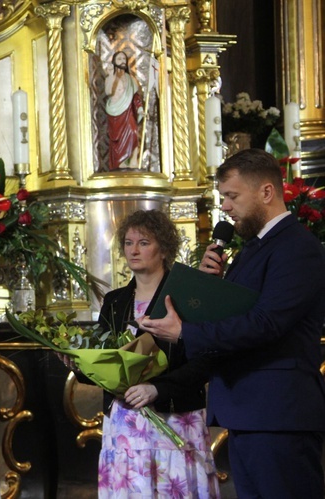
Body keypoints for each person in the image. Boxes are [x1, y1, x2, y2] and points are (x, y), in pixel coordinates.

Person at [141, 149, 325, 498]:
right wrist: (213, 289)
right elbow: (243, 311)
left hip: (278, 413)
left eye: (232, 196)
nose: (224, 206)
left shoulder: (297, 247)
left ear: (266, 192)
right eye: (223, 197)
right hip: (250, 411)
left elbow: (267, 322)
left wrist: (186, 332)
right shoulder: (254, 248)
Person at [93, 210, 220, 497]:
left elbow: (204, 361)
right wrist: (78, 364)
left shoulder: (186, 297)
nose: (133, 250)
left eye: (143, 243)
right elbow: (103, 361)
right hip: (125, 423)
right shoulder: (115, 301)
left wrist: (156, 389)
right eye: (128, 243)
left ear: (163, 248)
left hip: (174, 418)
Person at [104, 50, 144, 170]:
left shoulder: (131, 79)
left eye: (124, 59)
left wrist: (140, 109)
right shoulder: (111, 77)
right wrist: (111, 75)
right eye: (119, 59)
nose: (122, 61)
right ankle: (119, 162)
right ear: (114, 61)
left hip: (128, 112)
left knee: (133, 133)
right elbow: (108, 91)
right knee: (117, 139)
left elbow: (135, 97)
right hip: (115, 112)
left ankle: (132, 161)